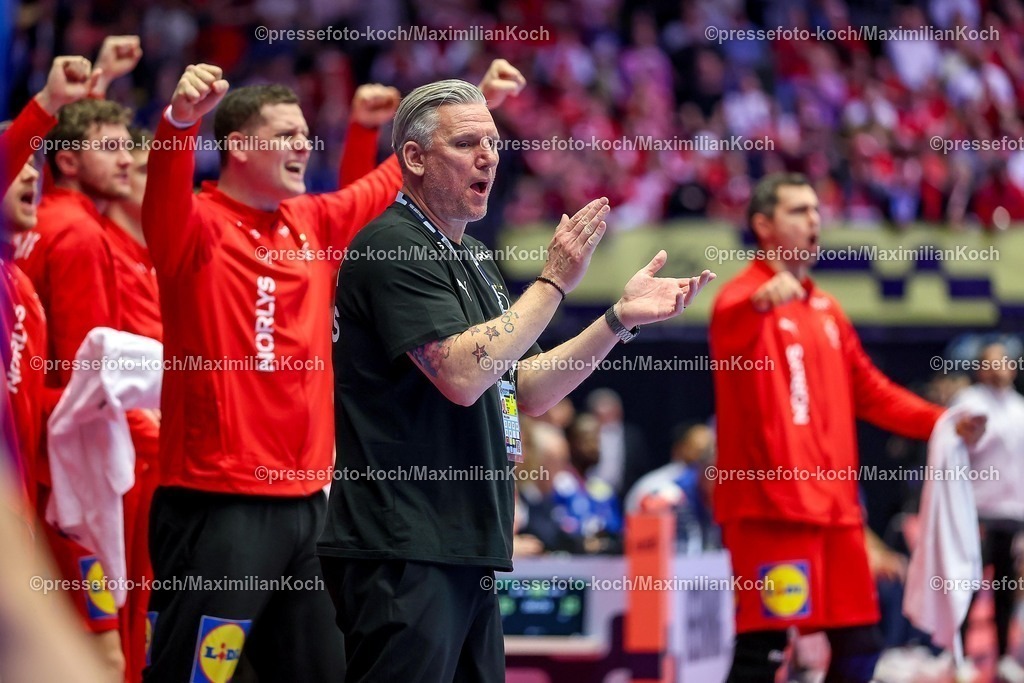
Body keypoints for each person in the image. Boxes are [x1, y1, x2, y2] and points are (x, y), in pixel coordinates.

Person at [318, 77, 715, 682]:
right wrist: (554, 280)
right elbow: (459, 372)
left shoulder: (473, 257)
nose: (488, 157)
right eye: (468, 142)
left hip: (468, 544)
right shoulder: (391, 246)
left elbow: (522, 388)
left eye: (495, 143)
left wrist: (616, 320)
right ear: (415, 158)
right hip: (402, 545)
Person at [140, 59, 525, 682]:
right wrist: (179, 122)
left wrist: (474, 99)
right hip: (219, 498)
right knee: (195, 676)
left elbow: (402, 168)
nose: (302, 144)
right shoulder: (194, 225)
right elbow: (161, 192)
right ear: (236, 145)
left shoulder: (309, 225)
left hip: (311, 504)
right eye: (286, 133)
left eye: (304, 133)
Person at [709, 173, 985, 683]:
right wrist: (761, 301)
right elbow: (730, 325)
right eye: (798, 211)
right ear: (764, 225)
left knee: (860, 643)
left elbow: (872, 392)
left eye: (816, 209)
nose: (814, 219)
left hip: (835, 513)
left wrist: (942, 421)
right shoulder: (741, 301)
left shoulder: (827, 310)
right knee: (766, 646)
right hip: (772, 510)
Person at [950, 339, 1024, 681]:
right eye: (991, 362)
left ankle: (1006, 656)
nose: (999, 368)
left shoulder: (1020, 408)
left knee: (1007, 585)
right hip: (976, 511)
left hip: (1013, 513)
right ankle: (959, 655)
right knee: (969, 584)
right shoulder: (969, 403)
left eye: (1004, 362)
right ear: (980, 367)